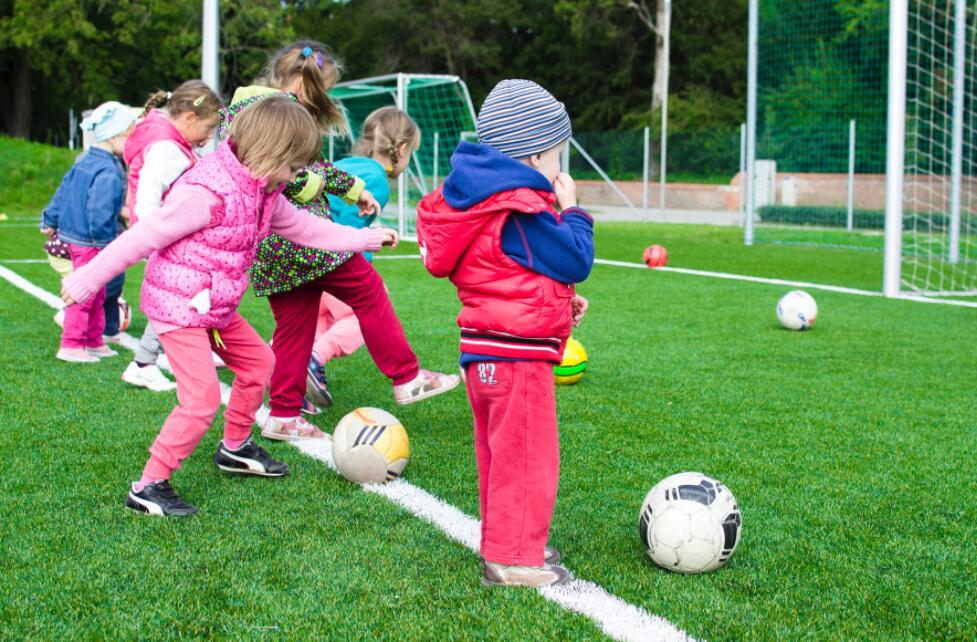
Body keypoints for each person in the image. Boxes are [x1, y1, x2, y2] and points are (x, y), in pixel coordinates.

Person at [59, 96, 399, 516]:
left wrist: (363, 238)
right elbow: (143, 237)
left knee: (260, 364)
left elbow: (304, 228)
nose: (297, 177)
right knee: (201, 399)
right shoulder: (205, 192)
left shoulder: (264, 189)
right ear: (270, 154)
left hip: (214, 307)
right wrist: (87, 279)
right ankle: (148, 485)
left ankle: (235, 447)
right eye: (294, 168)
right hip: (178, 307)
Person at [219, 40, 457, 442]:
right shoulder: (273, 112)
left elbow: (312, 166)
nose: (323, 99)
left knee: (295, 326)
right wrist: (321, 191)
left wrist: (353, 189)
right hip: (300, 238)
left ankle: (283, 414)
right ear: (301, 82)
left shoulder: (249, 107)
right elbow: (285, 175)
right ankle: (406, 376)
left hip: (272, 248)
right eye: (323, 90)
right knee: (368, 290)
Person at [416, 79, 594, 587]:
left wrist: (560, 304)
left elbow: (507, 272)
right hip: (516, 359)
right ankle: (513, 558)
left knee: (500, 456)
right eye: (559, 155)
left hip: (486, 352)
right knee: (527, 458)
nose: (561, 169)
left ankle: (508, 541)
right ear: (536, 154)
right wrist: (574, 210)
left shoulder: (482, 202)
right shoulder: (519, 208)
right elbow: (575, 256)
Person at [304, 106, 422, 413]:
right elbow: (346, 222)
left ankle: (291, 376)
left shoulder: (345, 164)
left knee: (315, 320)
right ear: (402, 149)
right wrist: (365, 246)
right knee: (361, 317)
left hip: (303, 255)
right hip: (332, 259)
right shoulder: (378, 182)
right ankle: (314, 358)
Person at [120, 80, 223, 393]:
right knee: (176, 300)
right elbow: (148, 198)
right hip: (166, 239)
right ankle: (143, 363)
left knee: (193, 294)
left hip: (169, 237)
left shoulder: (173, 144)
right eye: (208, 129)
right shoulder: (168, 150)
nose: (208, 139)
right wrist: (158, 236)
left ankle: (190, 350)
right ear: (189, 119)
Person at [41, 101, 140, 363]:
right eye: (129, 136)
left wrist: (49, 217)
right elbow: (99, 209)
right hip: (92, 241)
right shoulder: (109, 169)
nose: (131, 142)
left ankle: (93, 340)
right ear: (115, 136)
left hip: (78, 237)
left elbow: (63, 188)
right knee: (86, 292)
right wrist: (105, 243)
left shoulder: (85, 160)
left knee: (97, 291)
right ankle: (72, 344)